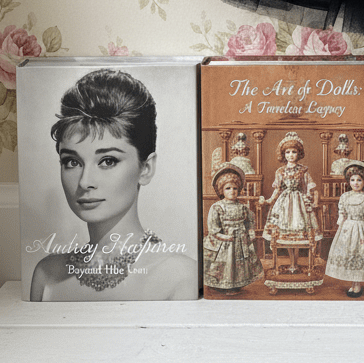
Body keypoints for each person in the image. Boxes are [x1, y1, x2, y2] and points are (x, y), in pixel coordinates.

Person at [29, 68, 196, 300]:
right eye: (72, 161)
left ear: (146, 169)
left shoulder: (179, 276)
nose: (85, 182)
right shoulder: (48, 274)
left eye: (107, 161)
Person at [261, 132, 322, 274]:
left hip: (299, 204)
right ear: (283, 154)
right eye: (287, 152)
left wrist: (312, 200)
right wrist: (269, 201)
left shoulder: (303, 170)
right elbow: (277, 190)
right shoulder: (280, 171)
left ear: (298, 153)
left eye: (293, 152)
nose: (290, 155)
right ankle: (291, 263)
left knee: (300, 235)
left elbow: (309, 187)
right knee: (285, 237)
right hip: (284, 204)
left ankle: (297, 263)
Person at [203, 164, 264, 295]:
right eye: (228, 188)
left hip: (240, 240)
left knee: (238, 262)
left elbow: (250, 219)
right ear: (221, 190)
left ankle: (236, 283)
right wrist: (223, 237)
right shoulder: (217, 207)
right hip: (224, 241)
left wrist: (250, 231)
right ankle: (223, 284)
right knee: (226, 263)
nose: (232, 191)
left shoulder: (242, 207)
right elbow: (213, 228)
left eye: (235, 188)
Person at [324, 161, 364, 297]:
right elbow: (342, 213)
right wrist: (341, 224)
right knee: (349, 254)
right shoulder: (345, 196)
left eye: (359, 180)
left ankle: (357, 284)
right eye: (353, 180)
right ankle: (353, 284)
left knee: (359, 254)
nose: (355, 183)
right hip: (347, 229)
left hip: (363, 229)